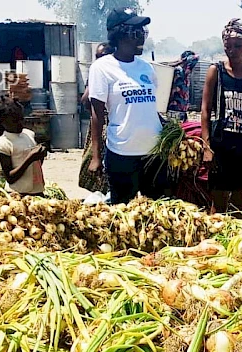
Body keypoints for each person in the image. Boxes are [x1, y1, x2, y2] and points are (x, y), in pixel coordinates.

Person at [87, 8, 166, 205]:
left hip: (153, 154)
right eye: (136, 32)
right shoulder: (102, 68)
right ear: (119, 34)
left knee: (156, 214)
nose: (141, 37)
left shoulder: (146, 68)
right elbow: (96, 115)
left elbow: (149, 108)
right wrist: (96, 156)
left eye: (143, 32)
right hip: (122, 154)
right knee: (123, 214)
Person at [201, 19, 242, 214]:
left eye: (238, 46)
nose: (233, 50)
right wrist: (206, 147)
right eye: (228, 46)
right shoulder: (216, 72)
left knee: (239, 205)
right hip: (222, 146)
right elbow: (205, 110)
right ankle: (215, 242)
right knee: (218, 205)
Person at [0, 98, 46, 196]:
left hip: (37, 191)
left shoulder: (28, 134)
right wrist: (30, 159)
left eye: (22, 119)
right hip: (18, 195)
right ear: (1, 121)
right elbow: (10, 178)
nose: (20, 123)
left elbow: (36, 165)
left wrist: (40, 155)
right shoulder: (4, 144)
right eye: (15, 121)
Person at [80, 43, 114, 196]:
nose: (99, 60)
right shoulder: (95, 73)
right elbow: (86, 102)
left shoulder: (112, 73)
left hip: (108, 125)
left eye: (103, 56)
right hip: (97, 125)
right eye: (97, 57)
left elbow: (86, 100)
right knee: (94, 163)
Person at [166, 50, 200, 122]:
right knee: (175, 129)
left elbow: (196, 57)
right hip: (175, 106)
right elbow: (195, 57)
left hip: (183, 107)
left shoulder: (186, 72)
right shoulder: (178, 70)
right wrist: (181, 61)